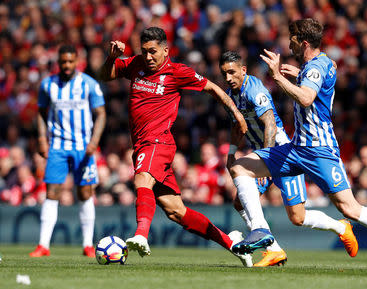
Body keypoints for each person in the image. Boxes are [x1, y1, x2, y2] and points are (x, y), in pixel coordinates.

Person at [230, 19, 367, 271]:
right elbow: (320, 73)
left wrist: (278, 76)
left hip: (319, 151)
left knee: (351, 208)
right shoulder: (317, 64)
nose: (287, 43)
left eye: (291, 39)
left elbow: (306, 97)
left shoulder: (316, 67)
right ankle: (260, 231)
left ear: (303, 42)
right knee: (240, 168)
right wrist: (296, 73)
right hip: (296, 148)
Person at [99, 27, 252, 267]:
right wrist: (111, 58)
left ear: (165, 50)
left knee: (142, 180)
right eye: (145, 51)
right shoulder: (135, 64)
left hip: (158, 141)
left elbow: (212, 87)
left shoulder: (177, 72)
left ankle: (141, 234)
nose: (148, 57)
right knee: (176, 212)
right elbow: (106, 75)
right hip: (141, 145)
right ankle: (233, 244)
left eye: (153, 52)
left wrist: (237, 115)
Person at [220, 51, 358, 267]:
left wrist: (264, 160)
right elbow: (238, 127)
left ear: (243, 70)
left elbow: (270, 125)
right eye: (224, 74)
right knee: (240, 202)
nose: (228, 78)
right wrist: (230, 153)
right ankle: (273, 249)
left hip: (280, 153)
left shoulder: (254, 89)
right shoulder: (231, 95)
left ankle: (341, 227)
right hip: (261, 156)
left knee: (297, 217)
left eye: (232, 72)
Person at [30, 45, 107, 258]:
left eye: (70, 62)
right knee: (51, 192)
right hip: (57, 147)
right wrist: (41, 139)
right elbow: (41, 113)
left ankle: (87, 245)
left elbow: (101, 113)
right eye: (63, 62)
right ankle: (43, 245)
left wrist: (94, 141)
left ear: (77, 61)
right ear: (58, 62)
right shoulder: (48, 85)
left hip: (83, 148)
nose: (66, 66)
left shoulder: (89, 84)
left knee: (84, 193)